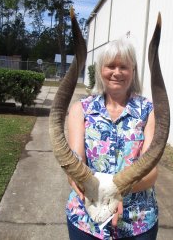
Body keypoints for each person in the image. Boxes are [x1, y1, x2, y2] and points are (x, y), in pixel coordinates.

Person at [66, 38, 159, 240]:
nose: (117, 72)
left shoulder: (149, 110)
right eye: (111, 66)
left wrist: (115, 194)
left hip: (137, 221)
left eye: (124, 67)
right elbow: (75, 160)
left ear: (133, 71)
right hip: (87, 219)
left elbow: (150, 170)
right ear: (100, 70)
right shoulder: (80, 109)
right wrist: (76, 178)